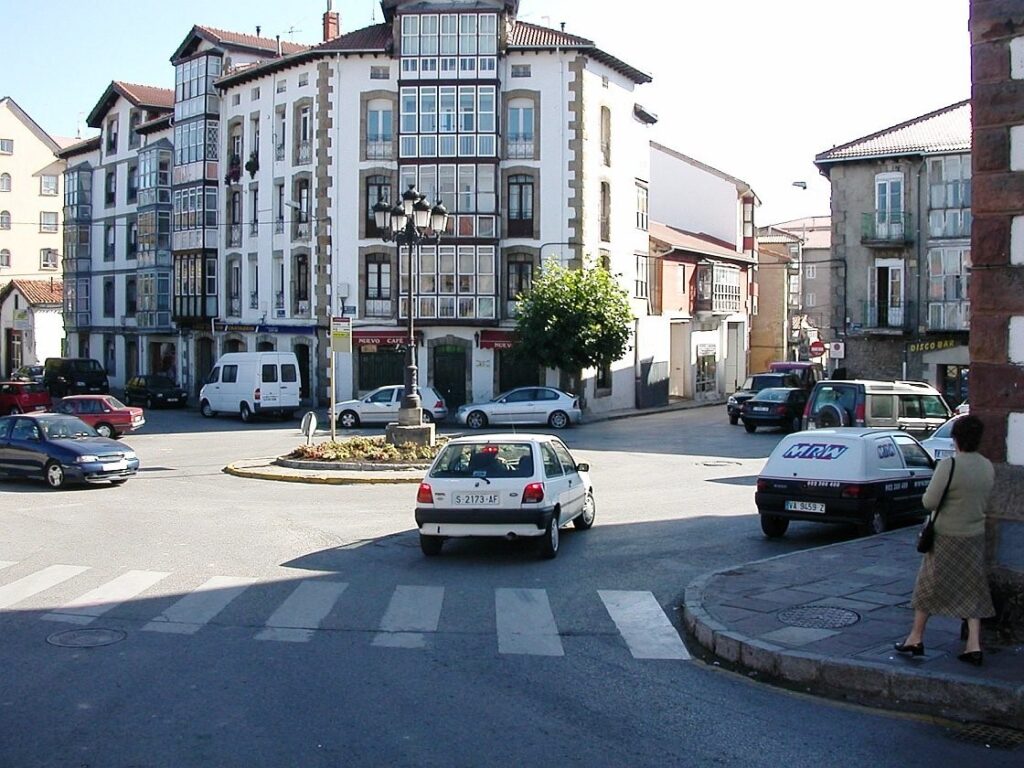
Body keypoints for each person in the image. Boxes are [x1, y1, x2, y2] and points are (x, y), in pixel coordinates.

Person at [895, 415, 995, 666]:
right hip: (974, 536)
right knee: (973, 588)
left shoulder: (949, 466)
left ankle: (915, 638)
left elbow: (929, 502)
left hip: (946, 537)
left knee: (928, 587)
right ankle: (974, 645)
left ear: (956, 439)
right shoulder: (987, 466)